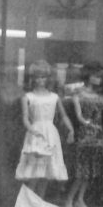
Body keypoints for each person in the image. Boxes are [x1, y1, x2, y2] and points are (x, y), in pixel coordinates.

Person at [15, 60, 74, 199]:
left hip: (50, 134)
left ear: (47, 78)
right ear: (33, 79)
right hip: (36, 133)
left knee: (47, 171)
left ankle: (39, 201)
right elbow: (25, 118)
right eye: (37, 77)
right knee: (34, 171)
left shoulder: (54, 97)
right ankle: (28, 202)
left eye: (43, 77)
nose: (40, 80)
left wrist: (71, 129)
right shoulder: (28, 97)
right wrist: (32, 130)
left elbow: (64, 115)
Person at [67, 63, 103, 207]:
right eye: (96, 76)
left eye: (100, 76)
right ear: (89, 76)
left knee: (90, 172)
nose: (99, 79)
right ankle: (70, 199)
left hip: (96, 136)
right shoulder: (78, 94)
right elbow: (79, 116)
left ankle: (79, 199)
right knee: (81, 171)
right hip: (84, 135)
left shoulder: (99, 97)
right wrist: (89, 124)